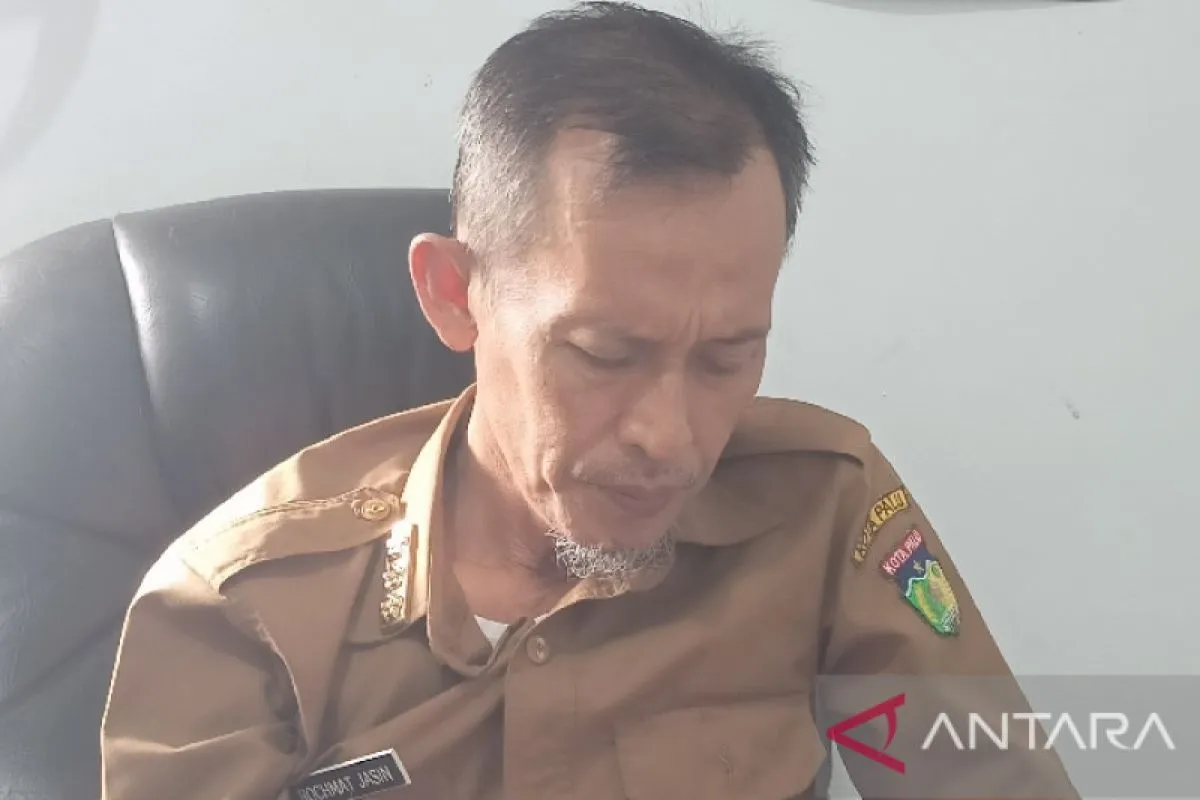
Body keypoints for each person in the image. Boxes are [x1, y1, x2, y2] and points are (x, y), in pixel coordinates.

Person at [99, 3, 1080, 799]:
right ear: (454, 294)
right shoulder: (242, 609)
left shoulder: (822, 508)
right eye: (605, 354)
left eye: (728, 356)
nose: (672, 437)